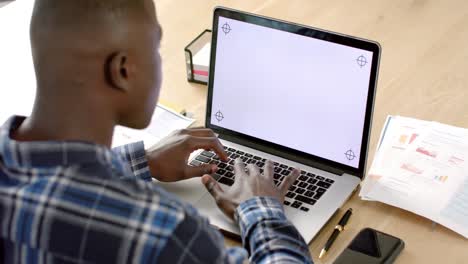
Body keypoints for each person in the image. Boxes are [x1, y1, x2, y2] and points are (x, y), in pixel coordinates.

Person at [0, 0, 313, 263]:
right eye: (156, 47)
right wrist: (260, 208)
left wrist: (139, 161)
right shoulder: (165, 234)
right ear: (123, 70)